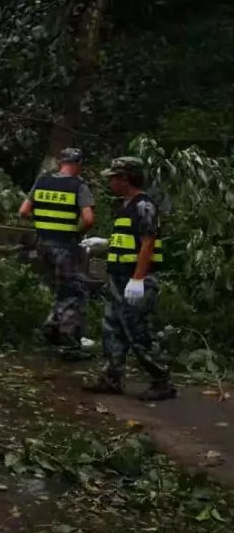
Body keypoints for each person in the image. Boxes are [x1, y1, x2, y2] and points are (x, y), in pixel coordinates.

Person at [84, 157, 175, 401]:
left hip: (135, 280)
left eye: (113, 178)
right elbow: (130, 241)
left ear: (125, 179)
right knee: (112, 329)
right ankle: (111, 378)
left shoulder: (144, 206)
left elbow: (147, 243)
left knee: (138, 332)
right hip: (118, 278)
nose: (110, 182)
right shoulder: (126, 205)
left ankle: (162, 380)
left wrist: (138, 279)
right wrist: (105, 244)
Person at [18, 148, 95, 358]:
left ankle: (51, 329)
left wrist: (45, 223)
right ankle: (69, 343)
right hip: (65, 246)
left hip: (42, 244)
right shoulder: (78, 185)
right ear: (78, 163)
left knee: (59, 288)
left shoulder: (42, 181)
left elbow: (23, 211)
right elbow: (88, 219)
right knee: (72, 292)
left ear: (61, 163)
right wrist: (77, 233)